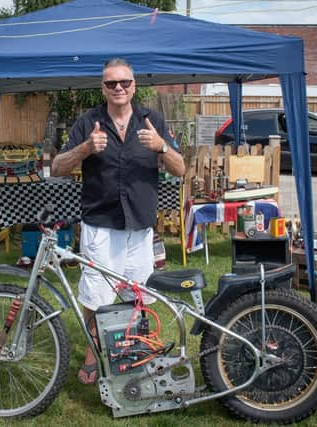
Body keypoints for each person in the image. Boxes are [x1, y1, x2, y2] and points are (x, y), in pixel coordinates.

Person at [52, 58, 185, 384]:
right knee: (96, 296)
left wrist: (161, 146)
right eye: (111, 83)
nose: (118, 88)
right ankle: (92, 351)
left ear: (134, 85)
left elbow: (180, 168)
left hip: (140, 227)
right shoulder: (89, 121)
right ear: (103, 87)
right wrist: (85, 148)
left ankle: (138, 348)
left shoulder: (151, 120)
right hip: (101, 225)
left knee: (140, 295)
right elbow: (57, 167)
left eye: (124, 82)